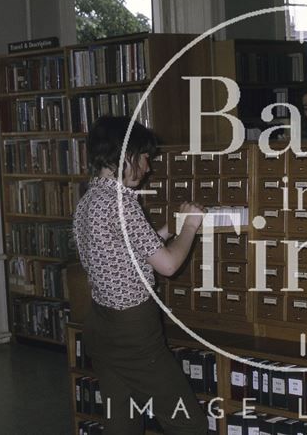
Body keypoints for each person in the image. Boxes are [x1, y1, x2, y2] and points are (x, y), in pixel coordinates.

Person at [73, 116, 208, 435]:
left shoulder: (89, 200)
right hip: (133, 330)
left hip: (101, 325)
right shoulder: (122, 204)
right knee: (189, 423)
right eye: (145, 157)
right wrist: (190, 226)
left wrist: (166, 230)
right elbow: (168, 266)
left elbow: (121, 250)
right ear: (126, 154)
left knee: (122, 422)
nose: (148, 167)